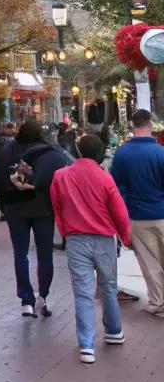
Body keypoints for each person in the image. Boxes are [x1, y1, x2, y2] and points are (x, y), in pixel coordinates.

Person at [50, 133, 131, 363]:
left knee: (83, 292)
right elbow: (119, 212)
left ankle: (86, 345)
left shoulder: (61, 176)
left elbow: (57, 206)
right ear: (100, 154)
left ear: (78, 151)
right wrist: (126, 237)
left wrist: (65, 231)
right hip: (104, 238)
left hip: (76, 239)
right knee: (108, 286)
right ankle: (113, 331)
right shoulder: (105, 178)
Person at [0, 118, 70, 317]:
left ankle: (26, 300)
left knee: (20, 253)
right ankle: (43, 295)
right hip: (43, 208)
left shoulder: (8, 151)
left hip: (16, 208)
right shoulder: (51, 153)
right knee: (45, 253)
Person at [111, 109, 164, 316]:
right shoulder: (160, 152)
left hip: (137, 215)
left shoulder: (122, 153)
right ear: (150, 124)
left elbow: (116, 186)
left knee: (150, 264)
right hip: (161, 213)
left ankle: (158, 303)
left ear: (133, 125)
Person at [0, 122, 21, 227]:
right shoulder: (15, 141)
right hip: (10, 170)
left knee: (0, 191)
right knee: (9, 190)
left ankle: (3, 212)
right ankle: (7, 213)